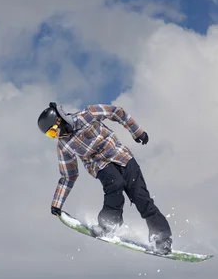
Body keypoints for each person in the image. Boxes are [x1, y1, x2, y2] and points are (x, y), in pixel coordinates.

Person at [37, 102, 172, 255]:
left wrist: (137, 132)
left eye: (53, 131)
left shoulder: (88, 114)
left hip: (122, 156)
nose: (56, 136)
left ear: (59, 119)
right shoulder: (63, 146)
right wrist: (57, 203)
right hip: (99, 165)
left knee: (142, 199)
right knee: (115, 183)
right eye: (51, 135)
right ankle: (108, 223)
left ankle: (162, 240)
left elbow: (116, 112)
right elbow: (69, 175)